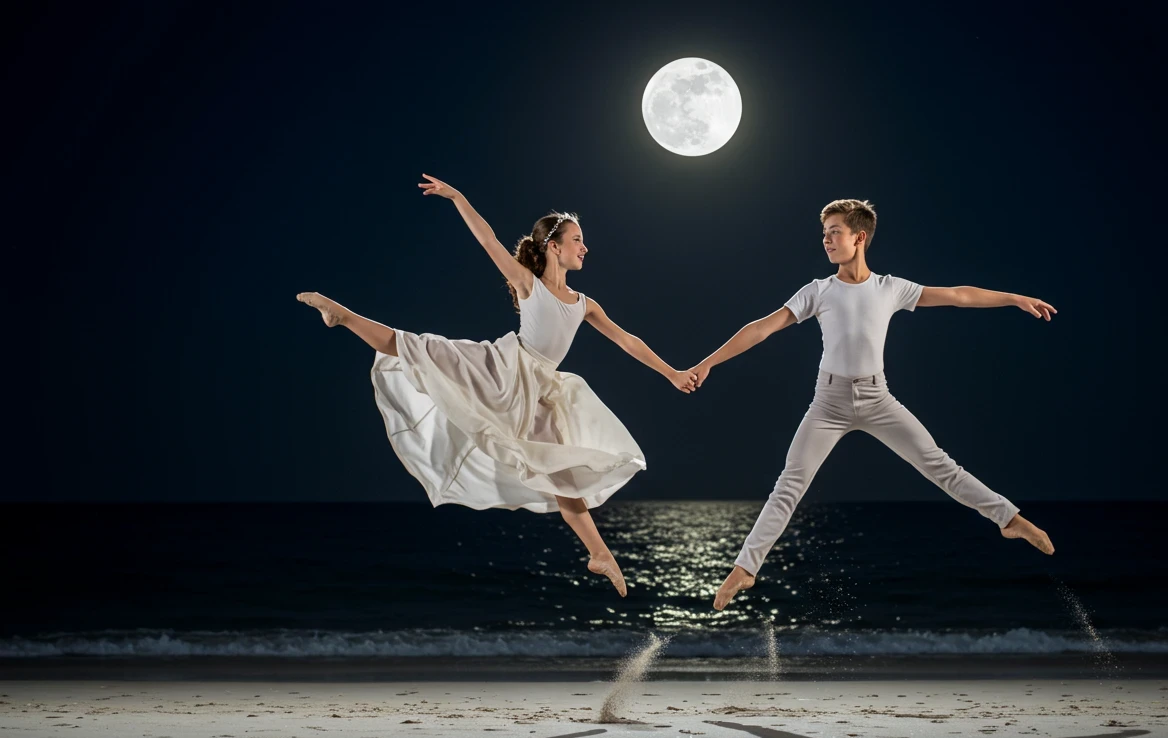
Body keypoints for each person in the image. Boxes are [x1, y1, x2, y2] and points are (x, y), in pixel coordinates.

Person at [297, 175, 697, 596]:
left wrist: (670, 372)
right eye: (577, 240)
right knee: (421, 349)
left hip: (540, 392)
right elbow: (488, 240)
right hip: (503, 368)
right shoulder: (530, 284)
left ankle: (600, 554)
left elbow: (626, 340)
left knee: (559, 470)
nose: (584, 247)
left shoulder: (584, 304)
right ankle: (342, 314)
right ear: (553, 247)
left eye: (584, 241)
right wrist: (457, 197)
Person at [691, 198, 1055, 610]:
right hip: (828, 403)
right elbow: (761, 328)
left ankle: (1009, 519)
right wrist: (708, 364)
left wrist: (1014, 298)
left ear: (859, 237)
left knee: (940, 466)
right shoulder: (818, 291)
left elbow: (958, 295)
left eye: (835, 232)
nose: (826, 240)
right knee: (789, 485)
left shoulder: (890, 288)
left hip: (878, 398)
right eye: (824, 233)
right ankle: (745, 568)